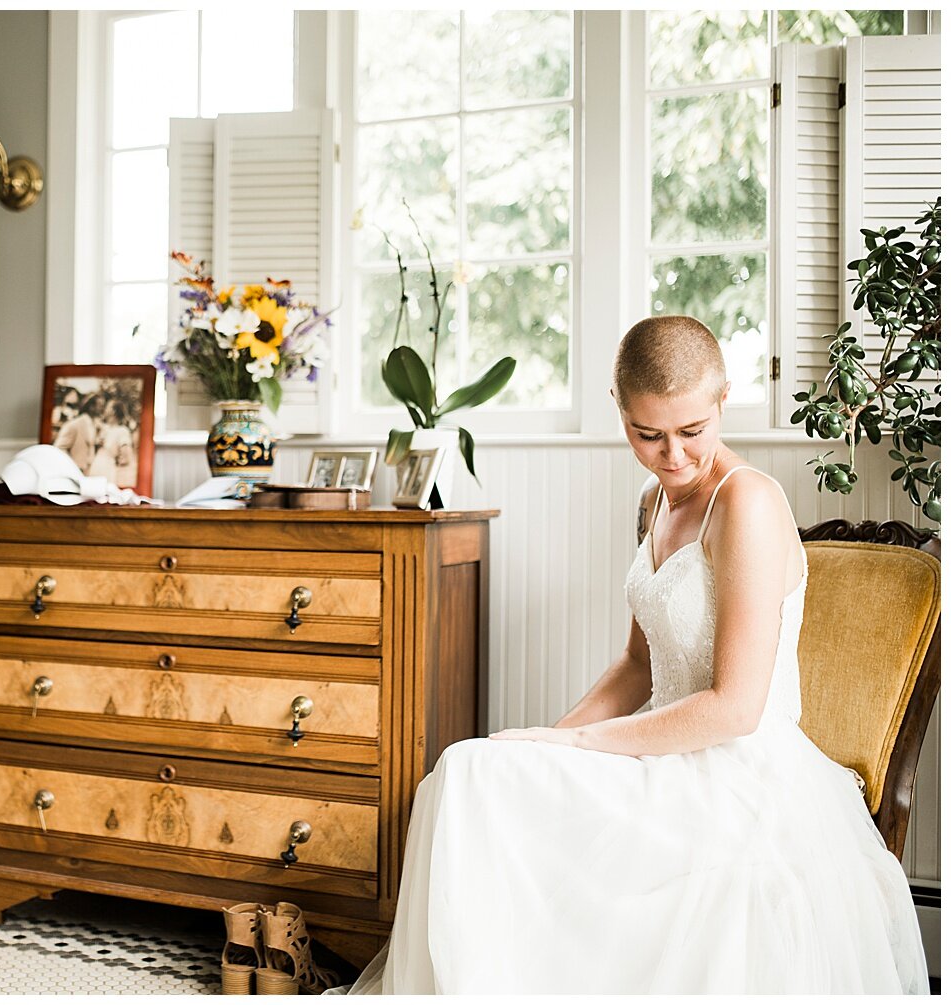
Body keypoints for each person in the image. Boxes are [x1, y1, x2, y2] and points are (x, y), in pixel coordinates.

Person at [336, 316, 928, 994]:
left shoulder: (749, 502)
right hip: (659, 750)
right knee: (473, 768)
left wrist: (586, 743)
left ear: (722, 400)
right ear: (619, 407)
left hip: (734, 770)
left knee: (474, 777)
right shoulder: (655, 500)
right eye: (648, 435)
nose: (671, 455)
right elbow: (637, 667)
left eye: (691, 431)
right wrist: (550, 741)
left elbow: (734, 708)